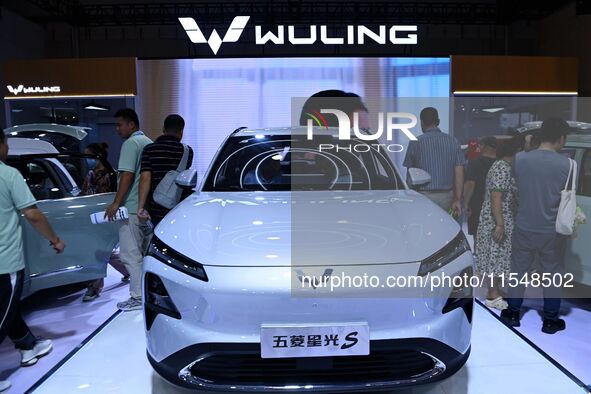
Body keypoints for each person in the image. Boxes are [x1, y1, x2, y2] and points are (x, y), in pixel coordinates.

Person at [0, 128, 66, 392]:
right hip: (4, 261)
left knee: (8, 307)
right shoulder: (8, 174)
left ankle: (28, 345)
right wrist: (55, 240)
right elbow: (33, 214)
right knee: (2, 316)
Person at [501, 117, 571, 334]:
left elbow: (518, 182)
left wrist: (529, 146)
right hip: (552, 230)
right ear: (561, 138)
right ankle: (550, 321)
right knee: (552, 274)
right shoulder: (568, 164)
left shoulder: (520, 159)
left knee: (518, 271)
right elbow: (568, 197)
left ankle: (513, 313)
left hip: (523, 225)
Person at [105, 108, 153, 311]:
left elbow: (127, 175)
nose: (117, 129)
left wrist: (116, 202)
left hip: (132, 208)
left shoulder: (131, 143)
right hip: (146, 208)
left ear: (131, 125)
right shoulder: (149, 142)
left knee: (130, 255)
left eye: (119, 124)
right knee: (145, 254)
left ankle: (137, 297)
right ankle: (147, 294)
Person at [475, 138, 521, 310]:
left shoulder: (501, 166)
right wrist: (500, 223)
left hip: (498, 218)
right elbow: (496, 197)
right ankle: (492, 295)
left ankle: (496, 291)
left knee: (498, 257)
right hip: (496, 220)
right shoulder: (502, 168)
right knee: (494, 256)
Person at [80, 143, 130, 302]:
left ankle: (94, 287)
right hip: (91, 218)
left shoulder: (111, 175)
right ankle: (128, 270)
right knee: (105, 252)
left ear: (97, 156)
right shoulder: (90, 175)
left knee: (97, 252)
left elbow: (114, 197)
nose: (87, 160)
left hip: (105, 218)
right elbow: (84, 193)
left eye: (89, 156)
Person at [403, 107, 465, 217]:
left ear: (421, 122)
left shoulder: (415, 142)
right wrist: (457, 199)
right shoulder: (453, 141)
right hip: (447, 197)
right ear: (438, 122)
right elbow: (459, 172)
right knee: (446, 230)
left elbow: (410, 175)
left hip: (423, 197)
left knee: (425, 229)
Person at [138, 114, 194, 227]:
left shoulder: (149, 149)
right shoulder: (188, 151)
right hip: (178, 206)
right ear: (181, 131)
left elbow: (145, 178)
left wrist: (141, 206)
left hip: (155, 207)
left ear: (163, 129)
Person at [463, 137, 498, 246]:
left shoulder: (475, 163)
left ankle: (480, 259)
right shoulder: (501, 164)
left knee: (478, 238)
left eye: (480, 145)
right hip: (497, 207)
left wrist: (465, 203)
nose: (479, 147)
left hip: (478, 206)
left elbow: (470, 184)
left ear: (486, 146)